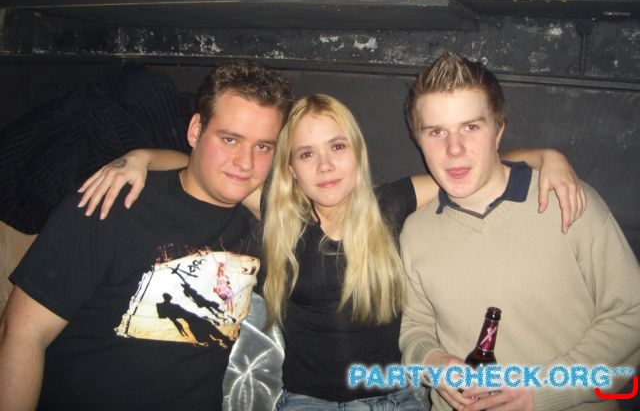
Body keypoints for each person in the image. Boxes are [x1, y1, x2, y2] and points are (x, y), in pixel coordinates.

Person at [75, 91, 585, 410]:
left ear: (357, 153)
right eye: (306, 153)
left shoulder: (390, 203)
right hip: (309, 402)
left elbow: (475, 169)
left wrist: (548, 156)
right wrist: (140, 157)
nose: (324, 166)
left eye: (337, 147)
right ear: (291, 169)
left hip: (397, 398)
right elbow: (205, 169)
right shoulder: (277, 215)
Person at [0, 60, 294, 411]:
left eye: (263, 147)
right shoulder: (112, 201)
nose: (245, 162)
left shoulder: (260, 227)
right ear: (195, 130)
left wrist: (147, 155)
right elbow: (21, 336)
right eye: (229, 139)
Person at [399, 52, 640, 411]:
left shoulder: (567, 201)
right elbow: (415, 327)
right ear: (418, 139)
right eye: (437, 131)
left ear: (499, 130)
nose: (454, 148)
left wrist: (540, 390)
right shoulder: (416, 231)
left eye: (471, 127)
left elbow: (631, 314)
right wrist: (434, 362)